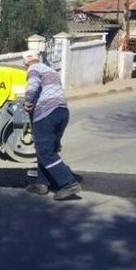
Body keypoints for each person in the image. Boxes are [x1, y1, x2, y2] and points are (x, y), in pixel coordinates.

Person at [22, 49, 82, 201]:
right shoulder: (51, 70)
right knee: (47, 148)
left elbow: (33, 86)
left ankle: (68, 183)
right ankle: (42, 184)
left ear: (25, 61)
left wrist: (28, 104)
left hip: (46, 113)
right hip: (62, 111)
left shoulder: (33, 68)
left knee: (44, 151)